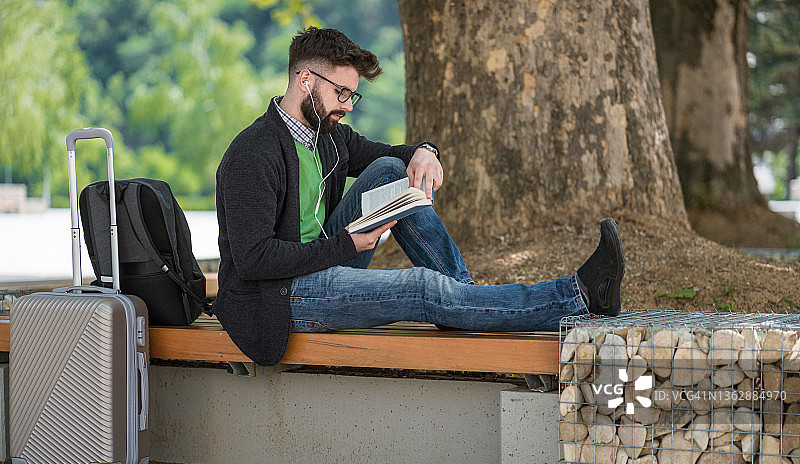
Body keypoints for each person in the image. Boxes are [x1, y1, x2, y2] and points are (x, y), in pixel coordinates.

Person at [213, 27, 624, 367]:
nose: (348, 106)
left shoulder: (327, 135)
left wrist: (425, 151)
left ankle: (463, 299)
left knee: (392, 173)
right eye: (342, 93)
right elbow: (254, 260)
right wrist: (346, 245)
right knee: (423, 289)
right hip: (280, 295)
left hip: (323, 257)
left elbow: (388, 156)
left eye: (352, 96)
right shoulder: (254, 153)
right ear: (306, 80)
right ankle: (579, 296)